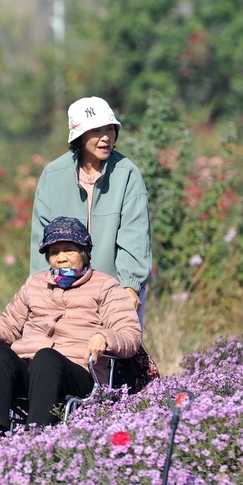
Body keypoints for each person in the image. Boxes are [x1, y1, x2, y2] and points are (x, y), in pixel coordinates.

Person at [0, 216, 141, 432]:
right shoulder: (34, 284)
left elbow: (130, 334)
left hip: (77, 372)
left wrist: (105, 337)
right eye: (54, 252)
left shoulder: (106, 286)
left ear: (84, 253)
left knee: (46, 358)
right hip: (31, 368)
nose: (61, 258)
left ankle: (37, 437)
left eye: (68, 250)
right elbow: (8, 325)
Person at [30, 96, 152, 319]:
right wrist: (40, 291)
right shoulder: (53, 175)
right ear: (79, 136)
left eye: (110, 129)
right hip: (62, 292)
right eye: (96, 131)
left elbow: (135, 236)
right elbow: (42, 240)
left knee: (116, 351)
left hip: (116, 292)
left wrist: (130, 286)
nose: (106, 137)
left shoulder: (127, 174)